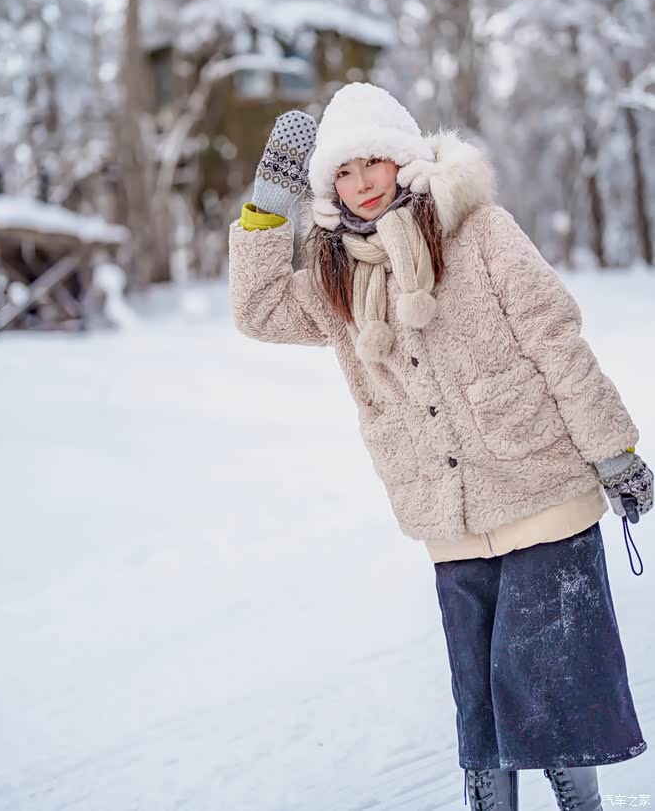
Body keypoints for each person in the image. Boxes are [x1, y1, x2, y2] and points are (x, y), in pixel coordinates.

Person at [227, 82, 653, 811]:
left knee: (553, 694)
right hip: (448, 518)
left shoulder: (479, 232)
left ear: (404, 158)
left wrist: (612, 451)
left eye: (373, 162)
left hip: (542, 489)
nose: (362, 184)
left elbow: (556, 342)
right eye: (343, 172)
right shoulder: (336, 273)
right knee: (479, 707)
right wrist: (269, 205)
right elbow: (259, 309)